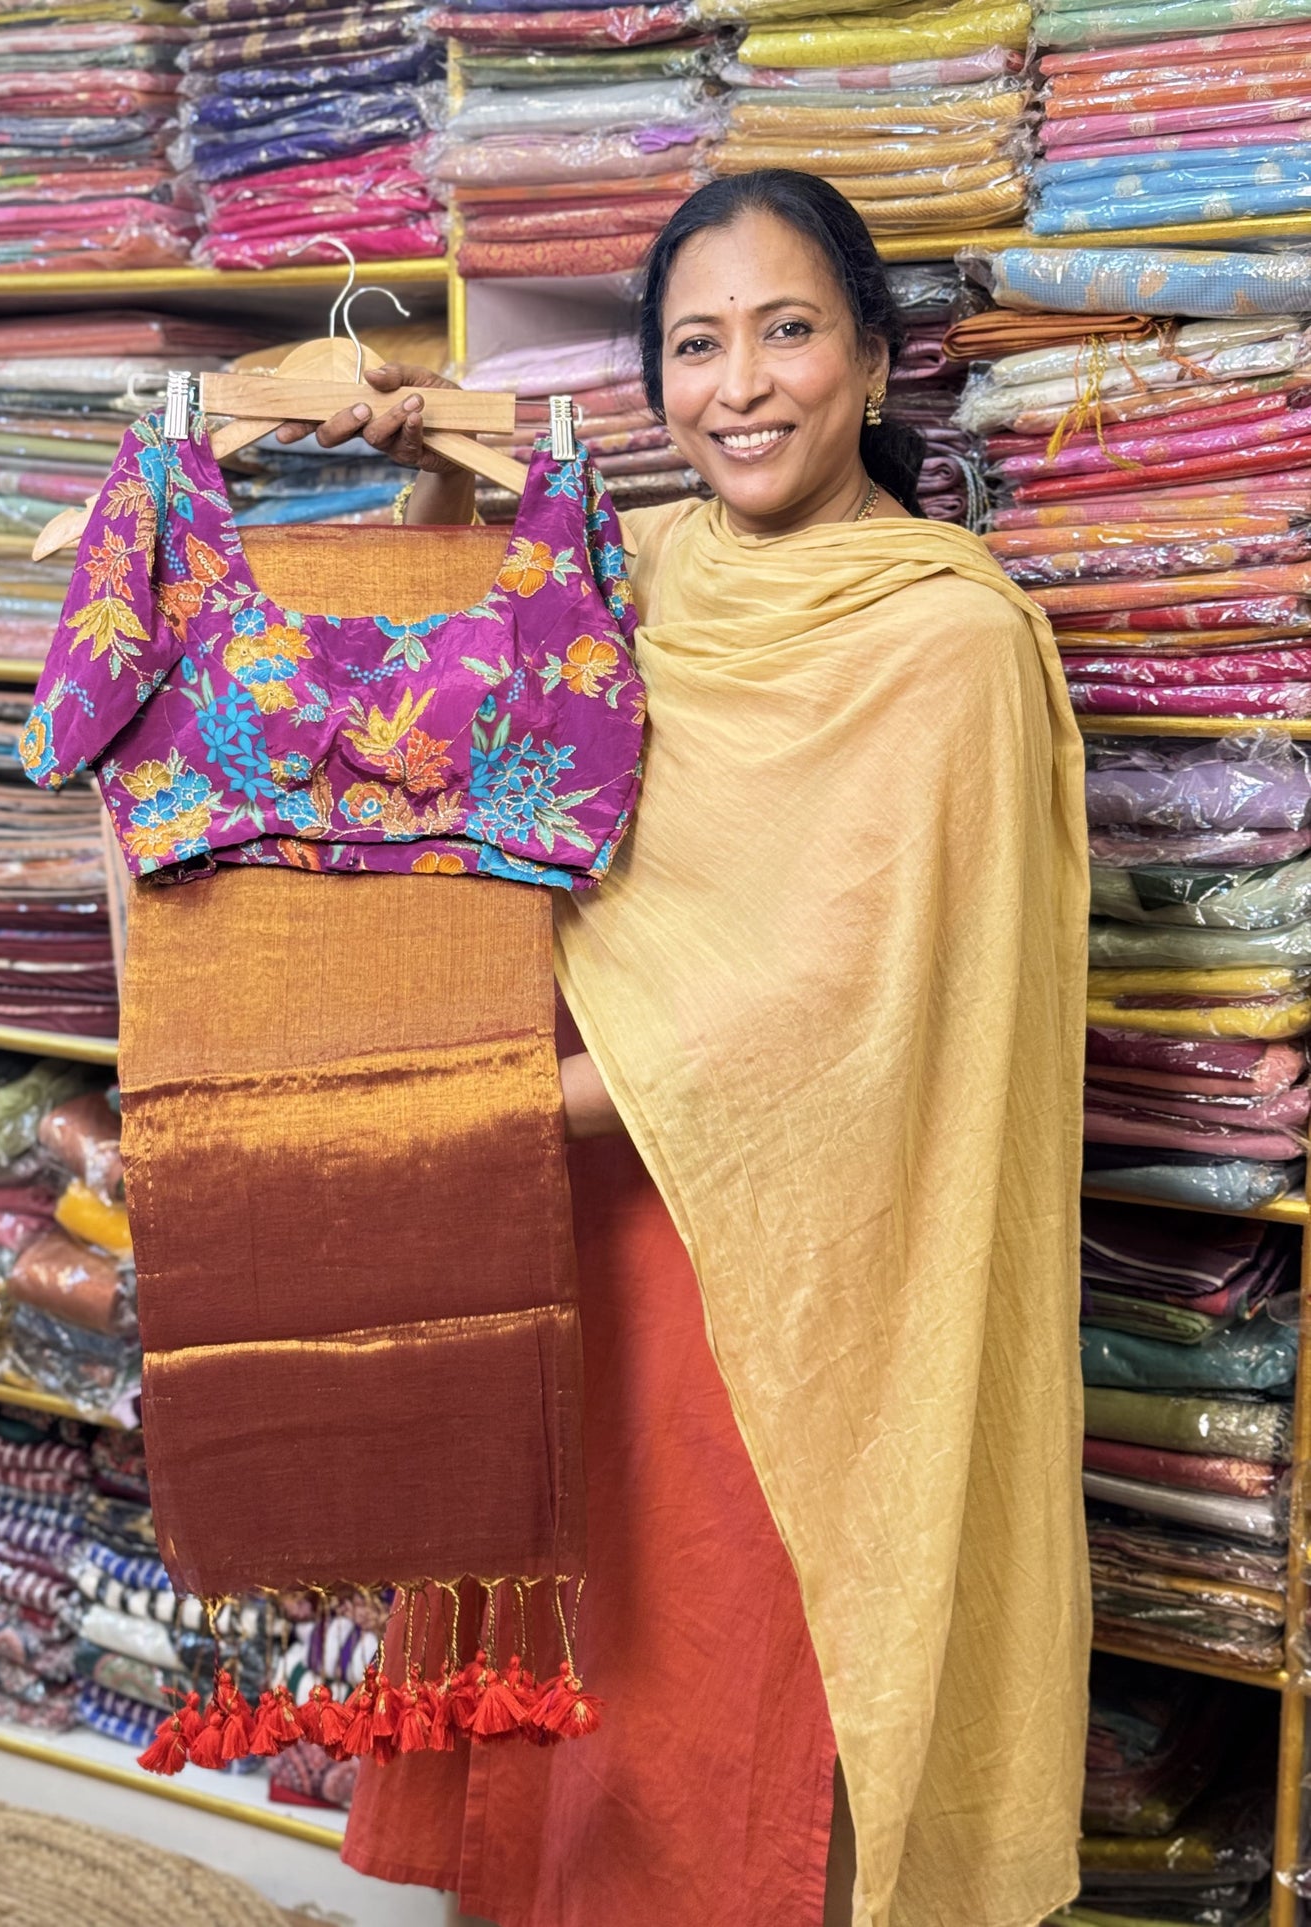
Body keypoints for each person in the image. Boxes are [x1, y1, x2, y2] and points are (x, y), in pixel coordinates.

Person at [278, 170, 1090, 1927]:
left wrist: (475, 1107)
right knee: (574, 1725)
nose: (741, 386)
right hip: (578, 1236)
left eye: (787, 331)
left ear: (871, 359)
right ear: (651, 385)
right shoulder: (636, 570)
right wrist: (420, 455)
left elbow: (822, 1023)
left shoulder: (942, 641)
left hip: (784, 1281)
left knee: (738, 1724)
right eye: (695, 345)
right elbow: (462, 674)